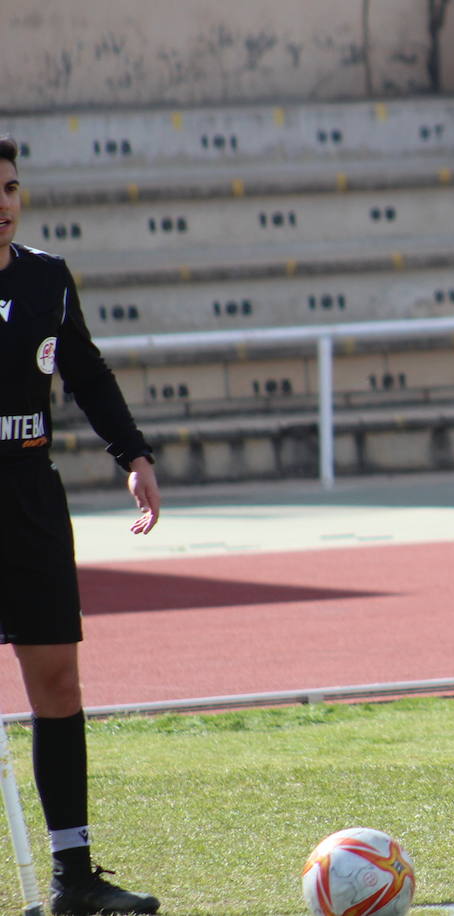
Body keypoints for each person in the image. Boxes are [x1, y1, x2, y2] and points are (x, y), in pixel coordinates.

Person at [0, 136, 162, 914]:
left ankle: (74, 881)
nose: (3, 203)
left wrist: (131, 454)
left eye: (11, 187)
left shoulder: (46, 280)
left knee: (57, 682)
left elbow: (86, 371)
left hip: (30, 497)